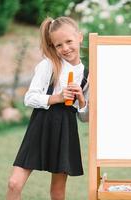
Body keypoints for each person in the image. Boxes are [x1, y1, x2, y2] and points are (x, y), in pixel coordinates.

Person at [6, 16, 89, 200]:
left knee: (58, 192)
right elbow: (29, 98)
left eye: (69, 41)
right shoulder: (50, 65)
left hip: (66, 129)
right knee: (14, 184)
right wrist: (57, 97)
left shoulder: (86, 74)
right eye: (59, 45)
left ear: (80, 37)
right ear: (53, 46)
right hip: (41, 124)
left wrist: (82, 100)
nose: (65, 48)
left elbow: (85, 118)